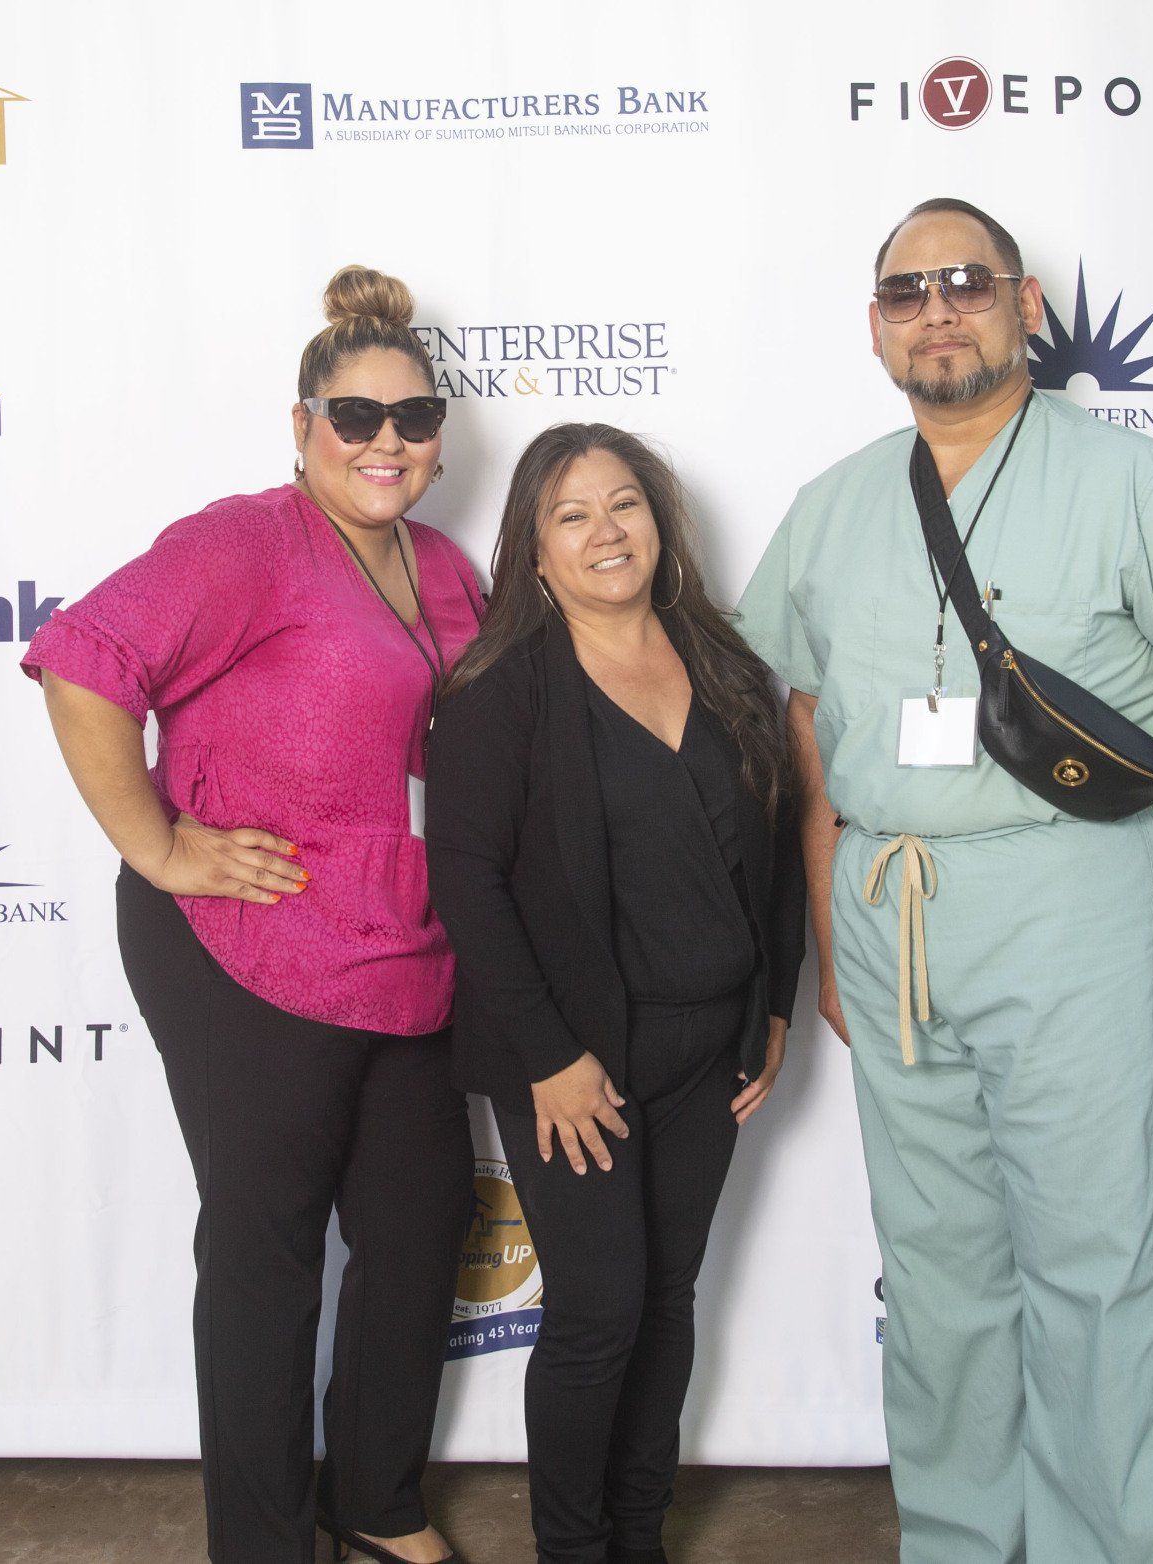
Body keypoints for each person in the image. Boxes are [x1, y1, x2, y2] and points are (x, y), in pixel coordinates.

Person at [734, 199, 1153, 1564]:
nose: (937, 310)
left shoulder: (1135, 484)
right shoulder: (834, 505)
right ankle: (957, 1540)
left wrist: (1115, 818)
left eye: (967, 281)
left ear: (1028, 307)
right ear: (875, 329)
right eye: (906, 292)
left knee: (1090, 1266)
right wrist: (829, 924)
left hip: (1067, 913)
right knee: (936, 1268)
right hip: (889, 914)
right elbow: (810, 719)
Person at [21, 266, 482, 1564]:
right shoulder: (247, 543)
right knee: (266, 1251)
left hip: (407, 952)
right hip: (248, 944)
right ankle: (265, 1542)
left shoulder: (449, 568)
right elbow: (83, 662)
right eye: (355, 416)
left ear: (439, 435)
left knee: (417, 1228)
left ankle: (377, 1502)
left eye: (413, 417)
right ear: (302, 425)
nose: (386, 441)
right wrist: (160, 845)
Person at [425, 424, 804, 1564]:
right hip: (573, 1061)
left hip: (709, 1046)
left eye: (624, 503)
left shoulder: (727, 669)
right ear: (534, 549)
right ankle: (574, 1548)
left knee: (669, 1297)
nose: (606, 531)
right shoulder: (498, 693)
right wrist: (549, 1055)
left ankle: (639, 1536)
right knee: (598, 1311)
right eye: (572, 513)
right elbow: (467, 885)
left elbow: (781, 848)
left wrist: (773, 1004)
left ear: (660, 522)